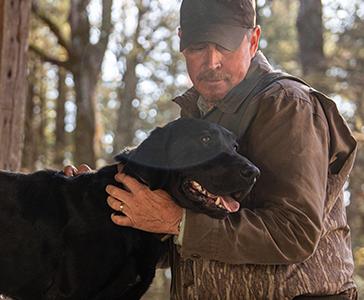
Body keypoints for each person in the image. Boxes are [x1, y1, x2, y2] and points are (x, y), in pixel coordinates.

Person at [65, 0, 358, 299]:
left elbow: (294, 232)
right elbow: (176, 245)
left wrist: (178, 223)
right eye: (197, 47)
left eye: (224, 45)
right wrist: (103, 203)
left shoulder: (287, 105)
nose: (211, 61)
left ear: (253, 40)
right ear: (181, 43)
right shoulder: (194, 120)